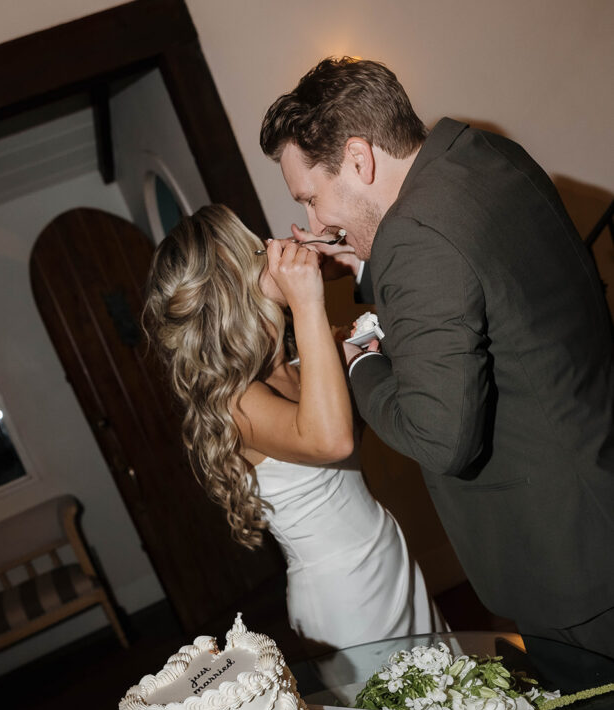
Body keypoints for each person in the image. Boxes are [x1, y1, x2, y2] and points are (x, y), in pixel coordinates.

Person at [260, 56, 614, 660]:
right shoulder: (483, 155)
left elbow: (439, 436)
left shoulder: (416, 239)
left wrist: (359, 358)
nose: (315, 223)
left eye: (312, 198)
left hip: (568, 556)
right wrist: (369, 263)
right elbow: (471, 282)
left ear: (358, 158)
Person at [142, 203, 442, 650]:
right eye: (256, 251)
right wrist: (306, 302)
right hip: (346, 596)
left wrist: (350, 265)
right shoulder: (236, 400)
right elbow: (333, 440)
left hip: (387, 553)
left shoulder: (295, 364)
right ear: (235, 287)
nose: (273, 249)